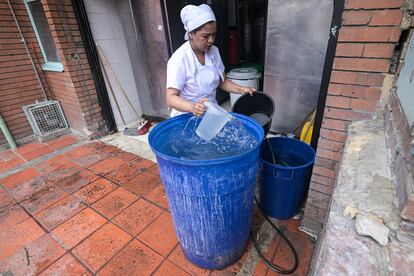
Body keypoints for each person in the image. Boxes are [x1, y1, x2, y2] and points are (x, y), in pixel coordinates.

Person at [166, 4, 255, 117]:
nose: (211, 40)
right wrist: (192, 107)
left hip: (210, 113)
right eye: (205, 36)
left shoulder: (214, 51)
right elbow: (171, 98)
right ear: (191, 34)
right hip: (186, 116)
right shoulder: (179, 60)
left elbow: (222, 81)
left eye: (213, 34)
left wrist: (242, 89)